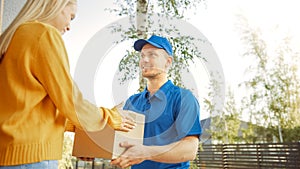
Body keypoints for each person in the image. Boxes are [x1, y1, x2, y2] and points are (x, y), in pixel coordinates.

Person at [0, 0, 135, 168]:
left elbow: (32, 113)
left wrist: (85, 137)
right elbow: (72, 102)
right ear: (56, 4)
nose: (69, 26)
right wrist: (111, 118)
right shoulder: (43, 34)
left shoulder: (14, 38)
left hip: (10, 154)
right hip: (31, 160)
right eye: (71, 17)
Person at [111, 35, 202, 169]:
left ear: (168, 62)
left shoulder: (183, 98)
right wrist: (92, 149)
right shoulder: (132, 102)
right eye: (142, 56)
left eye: (152, 55)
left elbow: (190, 150)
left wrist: (146, 153)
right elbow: (117, 140)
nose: (145, 60)